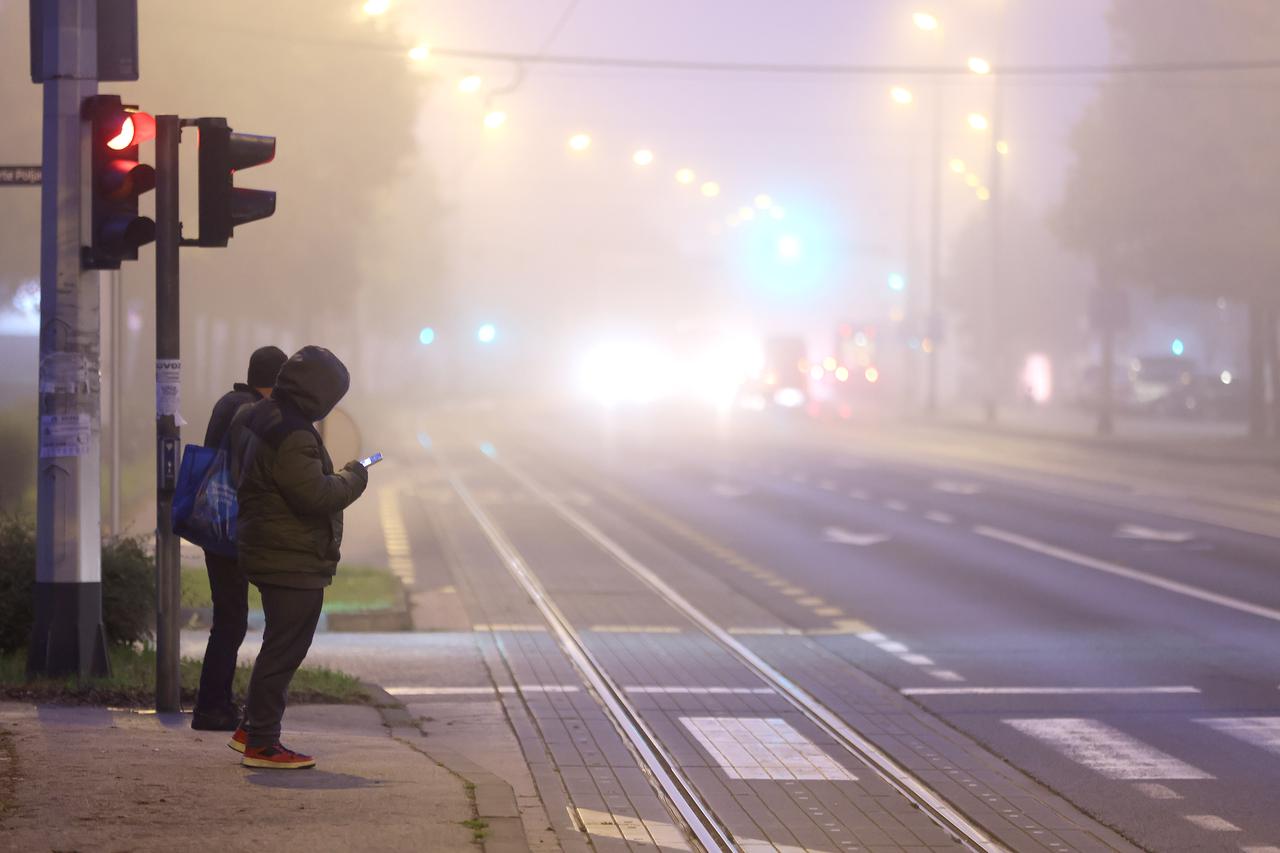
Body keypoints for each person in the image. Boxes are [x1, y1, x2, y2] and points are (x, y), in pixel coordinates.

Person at [225, 346, 370, 769]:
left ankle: (251, 729)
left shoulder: (252, 414)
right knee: (284, 650)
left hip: (263, 543)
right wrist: (355, 474)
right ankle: (263, 744)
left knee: (277, 644)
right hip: (291, 557)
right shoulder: (295, 433)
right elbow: (316, 495)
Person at [191, 345, 288, 732]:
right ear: (276, 383)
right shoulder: (249, 412)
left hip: (215, 521)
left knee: (229, 618)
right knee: (231, 620)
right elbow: (248, 467)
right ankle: (212, 707)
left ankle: (215, 703)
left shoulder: (229, 402)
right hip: (230, 525)